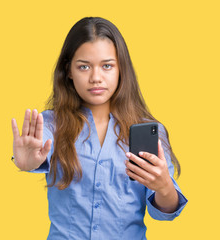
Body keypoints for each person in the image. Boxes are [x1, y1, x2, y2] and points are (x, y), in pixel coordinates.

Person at [11, 17, 188, 240]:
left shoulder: (147, 131)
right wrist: (28, 162)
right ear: (69, 71)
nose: (96, 78)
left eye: (107, 66)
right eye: (84, 66)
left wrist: (163, 187)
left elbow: (166, 213)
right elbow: (35, 155)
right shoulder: (50, 125)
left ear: (121, 69)